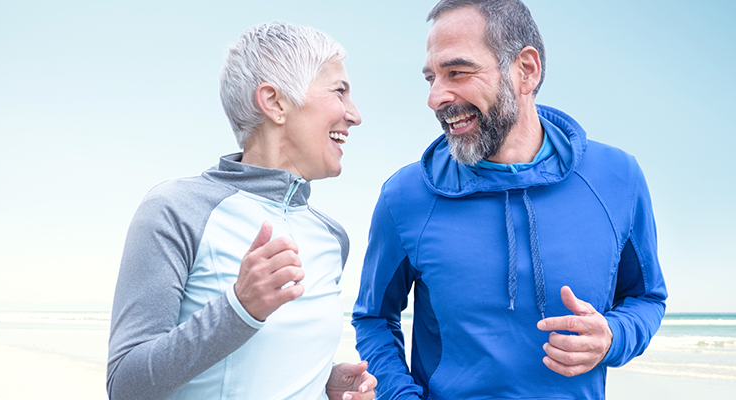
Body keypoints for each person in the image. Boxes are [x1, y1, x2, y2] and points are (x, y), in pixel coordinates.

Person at [351, 0, 668, 398]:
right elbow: (374, 318)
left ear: (526, 70)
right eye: (431, 77)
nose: (436, 97)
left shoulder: (617, 178)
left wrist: (612, 337)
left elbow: (645, 297)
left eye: (458, 72)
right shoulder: (405, 197)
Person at [107, 22, 376, 400]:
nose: (354, 115)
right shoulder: (176, 210)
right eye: (340, 92)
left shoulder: (333, 238)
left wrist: (321, 381)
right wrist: (240, 307)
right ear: (275, 103)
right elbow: (125, 385)